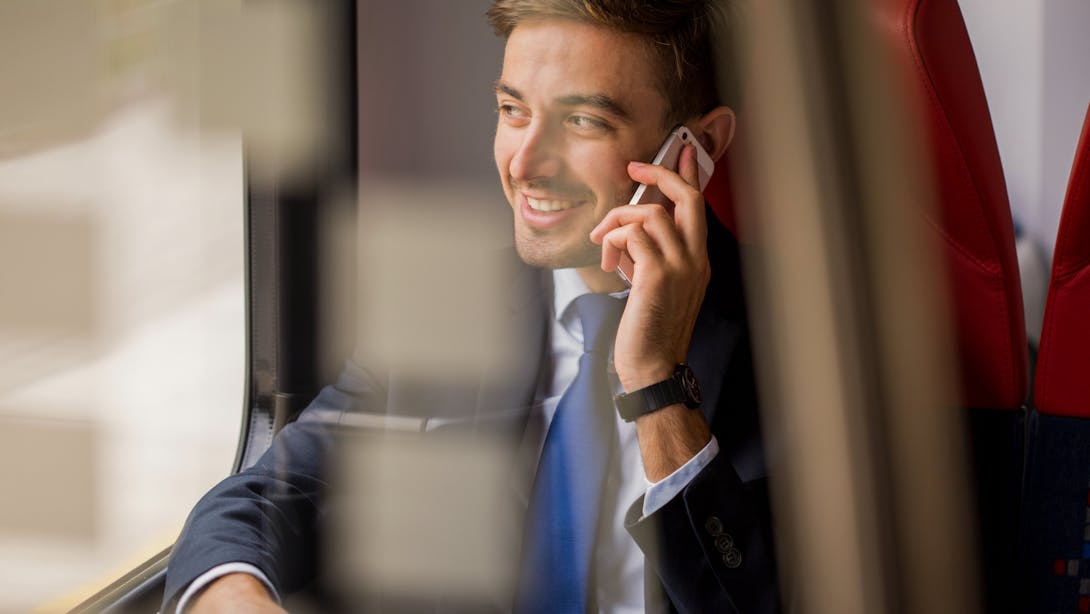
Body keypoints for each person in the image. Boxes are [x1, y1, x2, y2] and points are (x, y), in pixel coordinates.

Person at [163, 1, 780, 612]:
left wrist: (657, 385)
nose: (525, 163)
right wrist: (233, 597)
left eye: (583, 121)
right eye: (513, 111)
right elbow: (269, 496)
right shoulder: (448, 312)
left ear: (697, 146)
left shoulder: (811, 341)